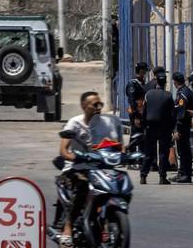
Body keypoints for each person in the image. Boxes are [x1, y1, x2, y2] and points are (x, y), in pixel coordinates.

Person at [58, 91, 122, 247]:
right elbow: (64, 150)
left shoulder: (106, 123)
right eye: (94, 105)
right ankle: (67, 228)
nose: (98, 108)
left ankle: (105, 220)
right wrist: (75, 157)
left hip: (99, 167)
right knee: (82, 187)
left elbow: (116, 144)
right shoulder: (74, 123)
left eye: (100, 104)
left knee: (117, 183)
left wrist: (124, 154)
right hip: (76, 168)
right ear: (84, 106)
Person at [141, 73, 175, 185]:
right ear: (165, 83)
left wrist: (144, 125)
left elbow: (144, 111)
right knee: (163, 153)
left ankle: (143, 176)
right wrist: (172, 128)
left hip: (150, 127)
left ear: (156, 82)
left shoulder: (148, 94)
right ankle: (162, 177)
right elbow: (172, 114)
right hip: (164, 128)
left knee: (149, 153)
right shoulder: (168, 95)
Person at [171, 71, 193, 183]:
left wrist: (177, 130)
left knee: (184, 151)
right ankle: (182, 173)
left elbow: (181, 113)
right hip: (185, 125)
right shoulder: (186, 91)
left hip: (183, 126)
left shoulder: (182, 94)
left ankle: (186, 175)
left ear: (175, 82)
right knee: (182, 150)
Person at [124, 62, 149, 133]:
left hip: (142, 113)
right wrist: (136, 117)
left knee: (141, 136)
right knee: (135, 135)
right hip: (136, 114)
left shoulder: (142, 82)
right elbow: (132, 101)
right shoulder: (132, 84)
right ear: (141, 71)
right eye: (145, 70)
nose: (146, 72)